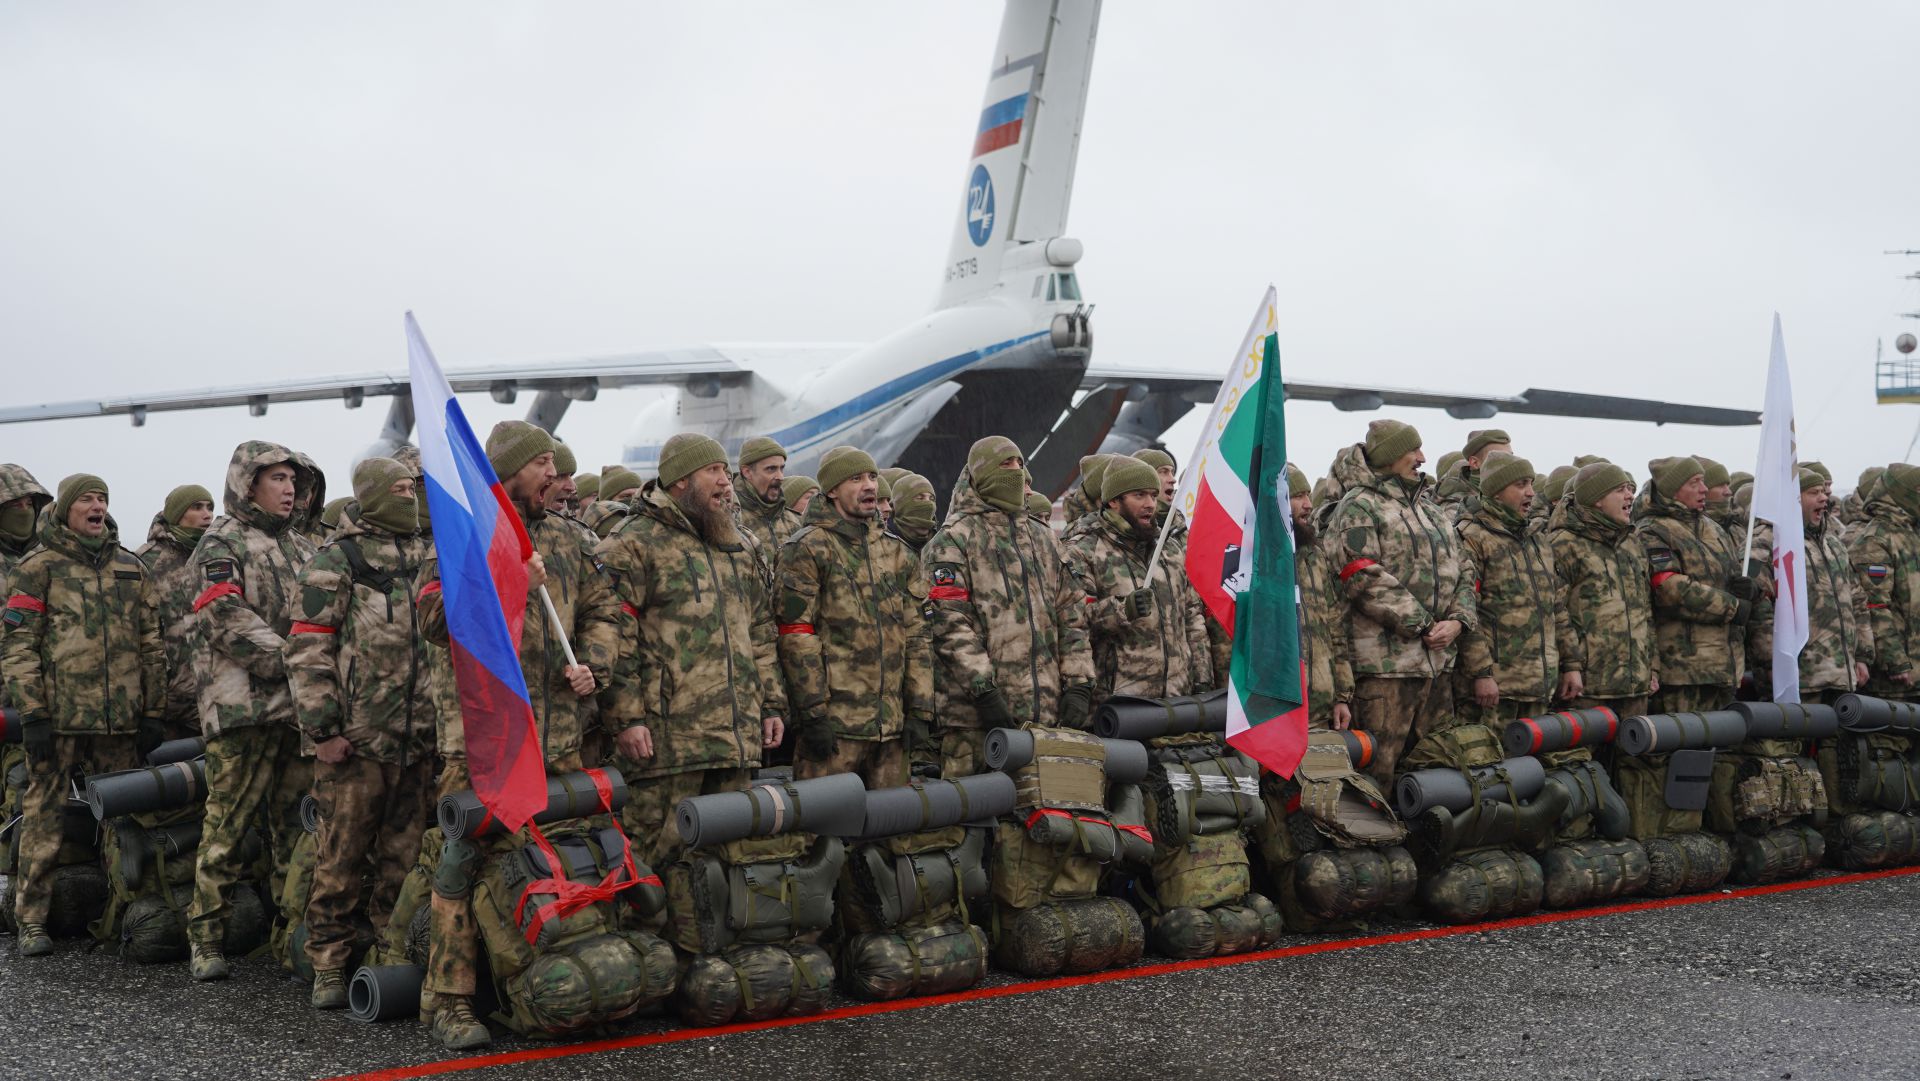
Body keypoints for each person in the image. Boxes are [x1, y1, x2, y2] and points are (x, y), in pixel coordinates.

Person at [413, 421, 616, 1050]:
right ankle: (448, 1001)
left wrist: (595, 664)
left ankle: (542, 983)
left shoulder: (569, 540)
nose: (554, 476)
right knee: (461, 866)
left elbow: (605, 609)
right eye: (542, 464)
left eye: (554, 463)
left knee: (555, 862)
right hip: (482, 739)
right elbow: (432, 617)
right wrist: (504, 578)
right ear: (507, 472)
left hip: (558, 738)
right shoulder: (456, 537)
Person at [590, 433, 787, 872]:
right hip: (666, 745)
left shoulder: (740, 545)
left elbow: (760, 631)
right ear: (680, 481)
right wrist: (627, 719)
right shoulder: (632, 544)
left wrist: (772, 704)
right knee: (656, 863)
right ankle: (653, 942)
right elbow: (613, 637)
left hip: (734, 740)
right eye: (713, 472)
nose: (726, 481)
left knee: (728, 865)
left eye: (725, 471)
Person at [286, 458, 434, 1008]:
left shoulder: (428, 554)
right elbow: (307, 649)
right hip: (356, 739)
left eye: (412, 490)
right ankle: (327, 962)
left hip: (418, 737)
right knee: (341, 855)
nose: (410, 499)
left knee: (406, 857)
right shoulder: (335, 559)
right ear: (371, 496)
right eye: (399, 491)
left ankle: (388, 958)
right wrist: (323, 729)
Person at [2, 474, 162, 957]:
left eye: (103, 498)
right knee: (44, 818)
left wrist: (152, 709)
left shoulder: (131, 567)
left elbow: (151, 642)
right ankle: (31, 920)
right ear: (68, 509)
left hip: (119, 722)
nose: (97, 506)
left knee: (124, 821)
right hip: (58, 720)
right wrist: (32, 715)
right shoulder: (37, 568)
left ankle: (122, 914)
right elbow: (18, 644)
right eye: (87, 499)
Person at [185, 443, 320, 981]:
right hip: (242, 709)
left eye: (294, 480)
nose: (290, 489)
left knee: (295, 829)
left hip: (294, 710)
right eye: (279, 478)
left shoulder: (304, 547)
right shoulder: (222, 540)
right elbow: (222, 612)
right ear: (248, 483)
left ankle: (292, 940)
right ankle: (206, 939)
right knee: (228, 827)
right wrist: (295, 661)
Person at [922, 436, 1094, 777]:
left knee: (1040, 814)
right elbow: (950, 625)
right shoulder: (953, 540)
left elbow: (1071, 615)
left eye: (1020, 463)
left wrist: (1078, 682)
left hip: (1044, 711)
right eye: (1006, 465)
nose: (1017, 472)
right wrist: (984, 691)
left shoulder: (1043, 538)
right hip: (974, 718)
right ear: (982, 474)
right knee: (976, 814)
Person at [1327, 419, 1475, 786]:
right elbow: (1359, 574)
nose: (1422, 457)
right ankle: (1376, 842)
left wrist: (1457, 621)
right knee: (1379, 773)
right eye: (1413, 450)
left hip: (1438, 667)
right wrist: (1424, 626)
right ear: (1390, 456)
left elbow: (1465, 569)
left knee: (1440, 770)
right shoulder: (1359, 507)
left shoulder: (1432, 511)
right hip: (1385, 671)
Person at [775, 446, 930, 789]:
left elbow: (917, 634)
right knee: (824, 833)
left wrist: (920, 707)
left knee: (890, 831)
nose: (870, 486)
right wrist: (812, 714)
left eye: (873, 477)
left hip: (890, 730)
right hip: (835, 728)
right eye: (856, 479)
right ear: (831, 490)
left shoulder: (896, 552)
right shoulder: (808, 548)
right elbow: (796, 636)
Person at [1064, 457, 1212, 706]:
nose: (1150, 504)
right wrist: (1123, 609)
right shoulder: (1084, 551)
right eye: (1139, 495)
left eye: (1153, 496)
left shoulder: (1170, 551)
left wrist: (1202, 679)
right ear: (1114, 500)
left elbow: (1192, 619)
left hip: (1178, 699)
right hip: (1120, 703)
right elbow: (1072, 623)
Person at [1453, 453, 1564, 733]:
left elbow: (1556, 606)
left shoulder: (1537, 540)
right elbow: (1467, 611)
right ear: (1496, 492)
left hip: (1539, 685)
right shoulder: (1472, 537)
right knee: (1494, 768)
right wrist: (1481, 673)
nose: (1531, 492)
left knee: (1534, 769)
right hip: (1496, 689)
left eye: (1531, 484)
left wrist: (1570, 665)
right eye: (1521, 485)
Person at [1635, 456, 1750, 714]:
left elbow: (1728, 576)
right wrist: (1732, 606)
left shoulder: (1713, 529)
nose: (1704, 489)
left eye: (1703, 482)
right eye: (1695, 483)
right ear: (1673, 490)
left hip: (1724, 665)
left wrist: (1745, 589)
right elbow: (1669, 589)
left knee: (1721, 747)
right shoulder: (1653, 530)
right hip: (1684, 669)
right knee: (1684, 746)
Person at [1746, 468, 1869, 700]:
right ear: (1792, 498)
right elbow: (1759, 611)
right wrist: (1771, 663)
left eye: (1824, 492)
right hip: (1798, 678)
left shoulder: (1833, 544)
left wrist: (1862, 656)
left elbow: (1857, 601)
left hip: (1841, 675)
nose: (1825, 498)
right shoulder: (1764, 543)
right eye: (1814, 492)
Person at [1550, 462, 1658, 719]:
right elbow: (1556, 613)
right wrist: (1571, 667)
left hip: (1635, 685)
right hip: (1588, 687)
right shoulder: (1563, 544)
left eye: (1630, 489)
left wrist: (1653, 668)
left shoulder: (1631, 543)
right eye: (1620, 490)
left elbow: (1645, 610)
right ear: (1598, 499)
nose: (1630, 496)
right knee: (1585, 757)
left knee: (1633, 757)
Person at [136, 484, 215, 739]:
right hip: (164, 701)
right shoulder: (145, 562)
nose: (207, 514)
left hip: (209, 695)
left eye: (210, 507)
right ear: (177, 513)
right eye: (197, 507)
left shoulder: (215, 557)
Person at [1287, 465, 1352, 729]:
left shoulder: (1315, 556)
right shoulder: (1252, 561)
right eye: (1297, 496)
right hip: (1275, 714)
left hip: (1322, 710)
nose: (1307, 505)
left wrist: (1342, 696)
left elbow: (1335, 628)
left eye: (1307, 495)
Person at [1848, 463, 1920, 699]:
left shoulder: (1911, 534)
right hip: (1898, 675)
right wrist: (1895, 661)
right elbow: (1874, 607)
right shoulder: (1875, 540)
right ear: (1901, 493)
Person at [733, 436, 800, 551]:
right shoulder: (729, 520)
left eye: (781, 468)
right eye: (771, 469)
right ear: (747, 472)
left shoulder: (792, 520)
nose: (780, 477)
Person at [1436, 429, 1512, 524]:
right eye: (1499, 458)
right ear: (1475, 463)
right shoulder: (1457, 510)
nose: (1509, 463)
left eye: (1511, 457)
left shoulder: (1509, 500)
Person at [888, 472, 938, 552]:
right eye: (920, 498)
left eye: (931, 499)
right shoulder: (883, 547)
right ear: (901, 504)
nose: (929, 505)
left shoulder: (939, 545)